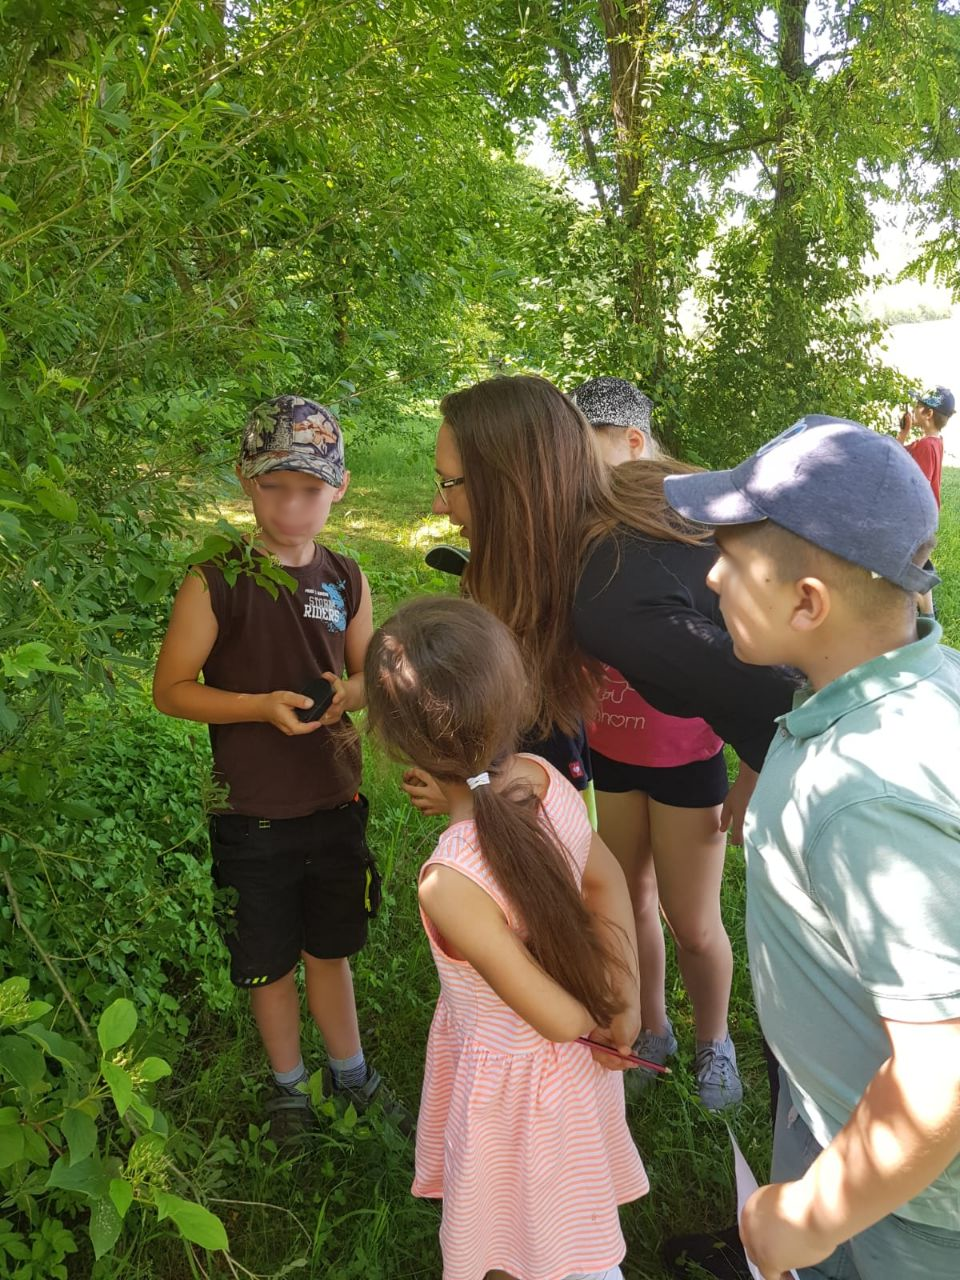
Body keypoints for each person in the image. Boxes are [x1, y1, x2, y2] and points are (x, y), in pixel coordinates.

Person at [429, 374, 799, 1106]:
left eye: (452, 484)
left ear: (509, 486)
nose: (441, 505)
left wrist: (763, 764)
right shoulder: (609, 526)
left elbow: (800, 700)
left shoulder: (611, 595)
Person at [664, 415, 960, 1280]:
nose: (710, 575)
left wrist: (809, 1216)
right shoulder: (903, 687)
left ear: (807, 602)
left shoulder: (867, 795)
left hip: (905, 1215)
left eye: (730, 558)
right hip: (839, 1113)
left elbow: (938, 1081)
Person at [365, 594, 648, 1280]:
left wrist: (588, 1013)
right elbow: (606, 885)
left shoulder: (448, 882)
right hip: (578, 1071)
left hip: (514, 1093)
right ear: (513, 695)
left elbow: (553, 1017)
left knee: (505, 1239)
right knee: (568, 1225)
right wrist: (625, 1004)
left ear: (400, 744)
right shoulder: (546, 781)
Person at [153, 395, 403, 1141]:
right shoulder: (215, 578)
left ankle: (350, 1072)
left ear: (341, 487)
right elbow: (172, 689)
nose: (292, 507)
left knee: (330, 947)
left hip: (333, 799)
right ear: (243, 480)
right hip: (251, 810)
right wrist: (257, 707)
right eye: (273, 487)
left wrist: (347, 698)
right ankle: (289, 1087)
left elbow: (369, 676)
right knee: (265, 958)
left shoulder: (347, 576)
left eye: (310, 489)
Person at [571, 376, 738, 1107]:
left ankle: (715, 1042)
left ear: (634, 443)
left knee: (693, 922)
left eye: (587, 453)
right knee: (628, 898)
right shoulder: (586, 524)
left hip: (686, 756)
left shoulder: (696, 528)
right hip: (610, 748)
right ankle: (654, 1029)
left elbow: (735, 647)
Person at [897, 385, 954, 615]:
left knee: (912, 568)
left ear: (928, 414)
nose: (913, 408)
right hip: (925, 517)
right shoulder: (934, 442)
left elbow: (915, 486)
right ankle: (929, 614)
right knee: (918, 564)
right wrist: (904, 433)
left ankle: (927, 616)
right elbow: (898, 452)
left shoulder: (925, 446)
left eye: (918, 406)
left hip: (916, 517)